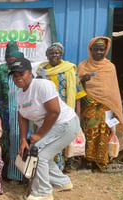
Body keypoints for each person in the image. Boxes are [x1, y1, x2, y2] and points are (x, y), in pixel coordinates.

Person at [12, 58, 80, 200]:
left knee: (39, 155)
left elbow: (54, 112)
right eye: (15, 76)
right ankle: (63, 182)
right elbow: (22, 116)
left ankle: (43, 192)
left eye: (21, 74)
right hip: (53, 126)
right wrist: (24, 139)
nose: (18, 78)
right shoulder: (19, 94)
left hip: (65, 124)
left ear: (30, 73)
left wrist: (39, 134)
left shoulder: (43, 85)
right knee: (41, 152)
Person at [78, 36, 123, 171]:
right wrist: (83, 80)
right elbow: (76, 87)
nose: (99, 52)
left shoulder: (110, 67)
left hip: (106, 107)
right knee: (88, 132)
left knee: (103, 134)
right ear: (90, 50)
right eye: (96, 50)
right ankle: (85, 160)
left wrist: (115, 109)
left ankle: (99, 162)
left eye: (102, 50)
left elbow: (113, 89)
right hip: (88, 105)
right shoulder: (83, 66)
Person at [36, 42, 86, 171]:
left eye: (57, 53)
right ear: (47, 55)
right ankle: (44, 167)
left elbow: (78, 95)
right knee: (46, 138)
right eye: (51, 53)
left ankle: (59, 168)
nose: (54, 55)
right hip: (46, 112)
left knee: (60, 139)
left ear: (61, 54)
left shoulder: (69, 70)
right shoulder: (41, 70)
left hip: (64, 112)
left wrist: (77, 115)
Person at [0, 40, 24, 181]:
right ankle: (3, 172)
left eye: (14, 60)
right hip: (4, 111)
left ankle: (19, 173)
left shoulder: (23, 71)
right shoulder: (0, 69)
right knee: (4, 141)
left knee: (18, 140)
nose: (11, 63)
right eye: (9, 59)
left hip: (20, 112)